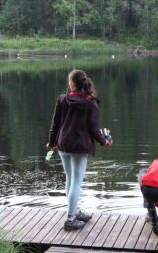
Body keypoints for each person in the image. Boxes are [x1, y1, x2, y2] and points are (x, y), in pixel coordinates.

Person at [46, 69, 111, 230]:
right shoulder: (91, 103)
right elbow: (94, 129)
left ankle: (73, 211)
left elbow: (55, 124)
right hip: (80, 147)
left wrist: (51, 142)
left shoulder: (63, 100)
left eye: (69, 81)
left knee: (70, 178)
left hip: (63, 144)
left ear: (72, 84)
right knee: (76, 181)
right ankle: (70, 219)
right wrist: (104, 142)